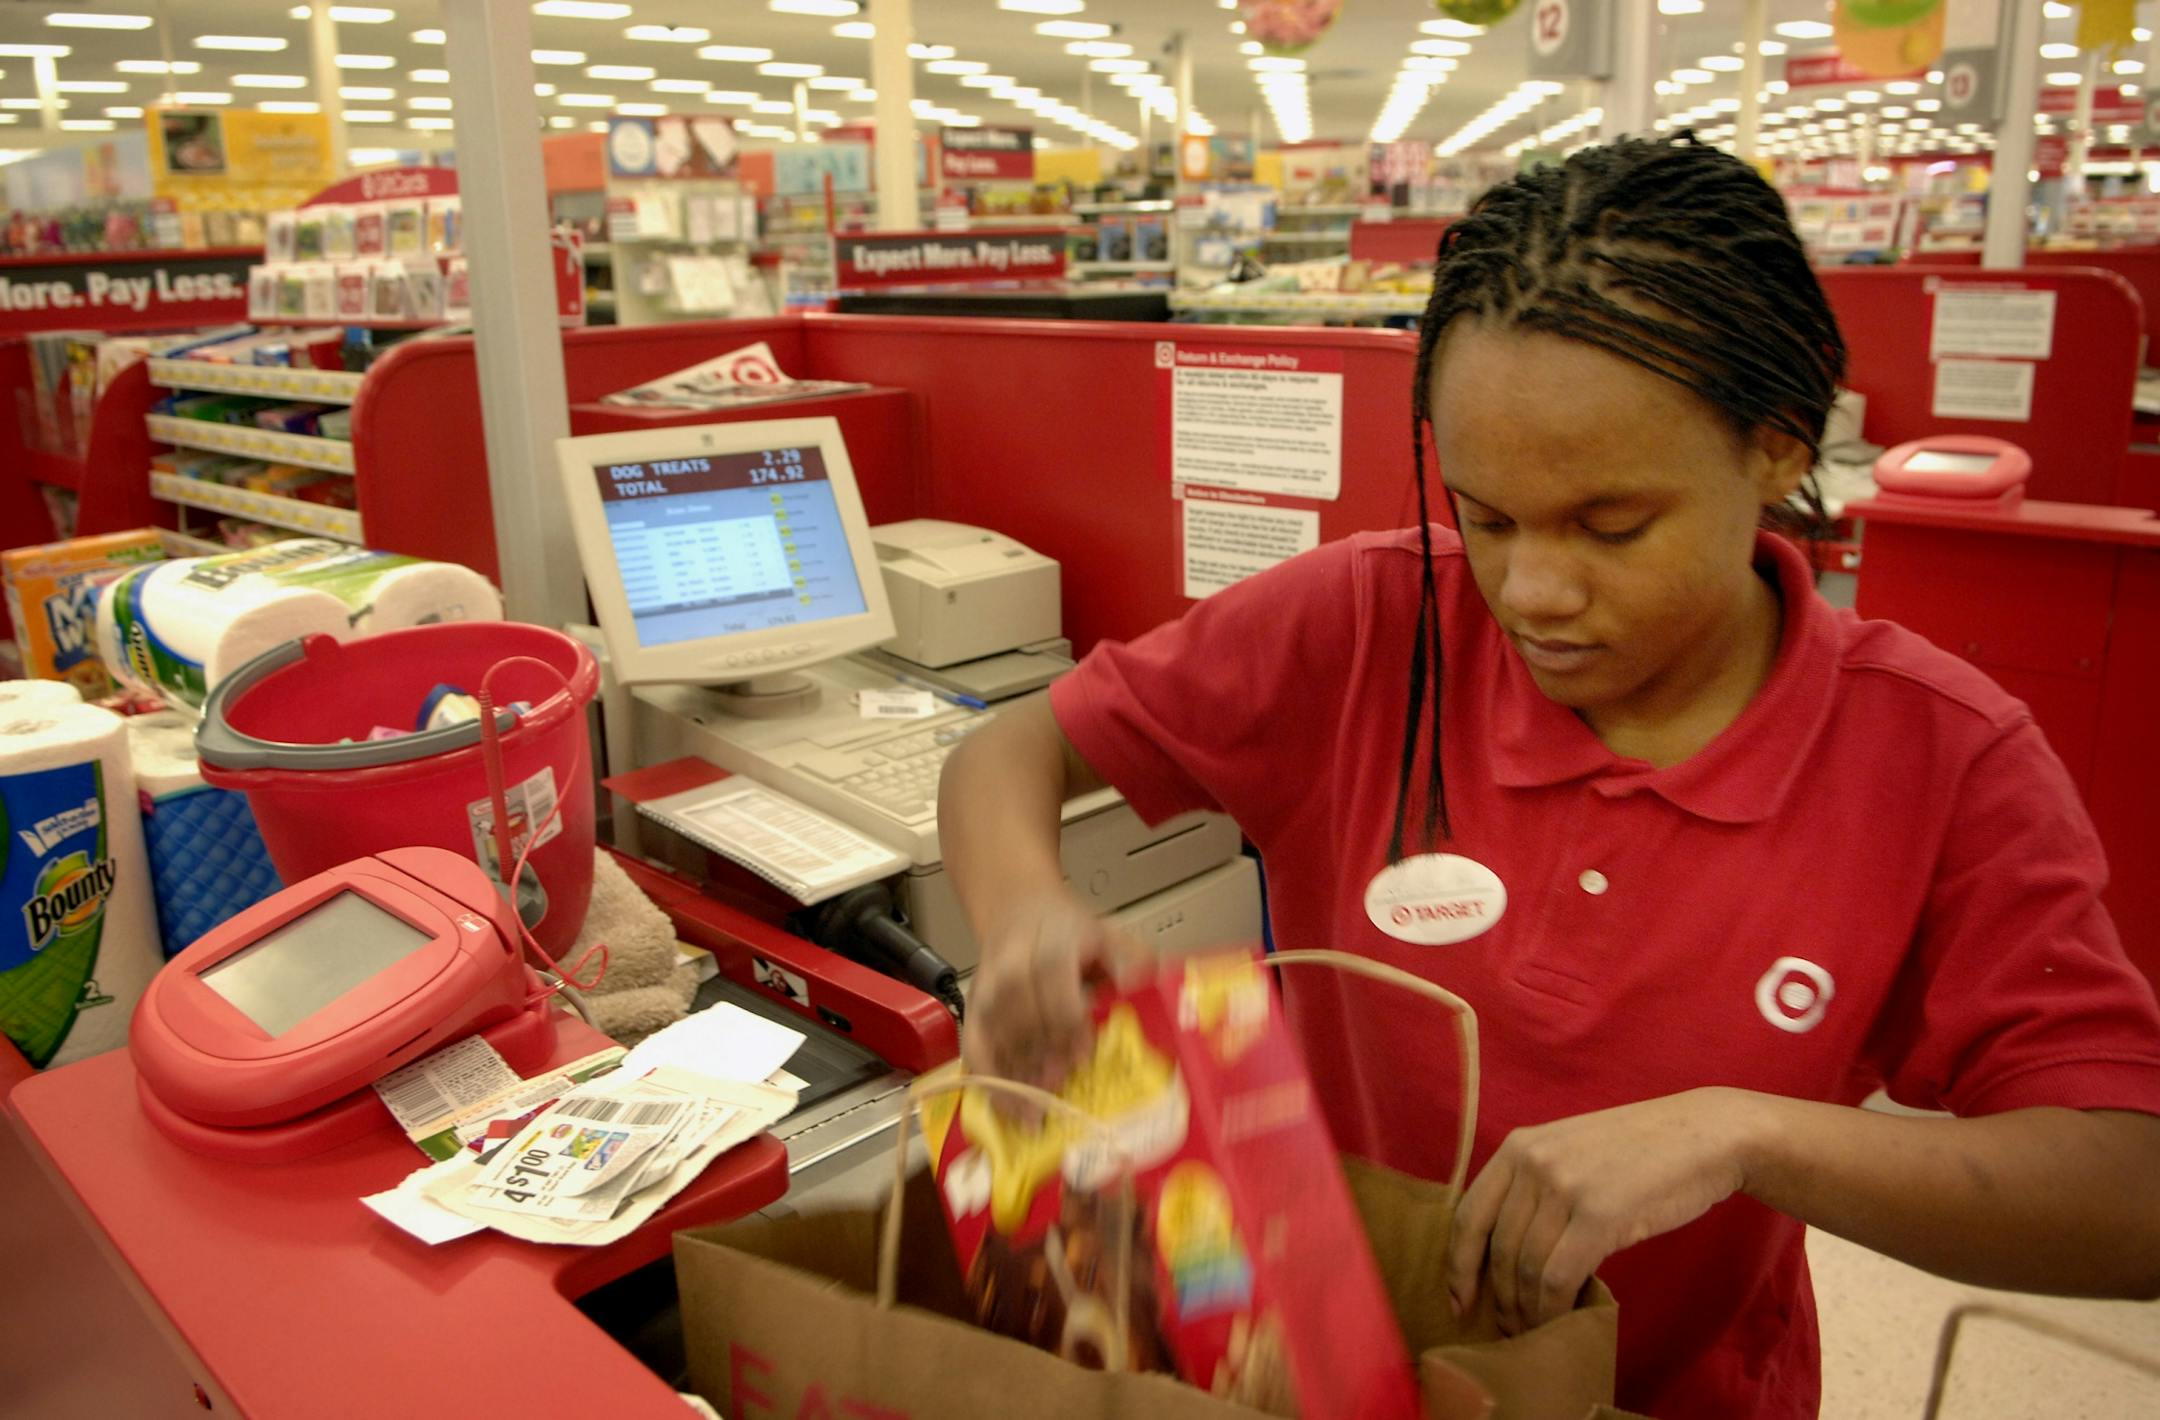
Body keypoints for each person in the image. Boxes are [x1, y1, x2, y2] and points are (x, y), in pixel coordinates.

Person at [938, 136, 2160, 1419]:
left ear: (1780, 452)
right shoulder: (1374, 625)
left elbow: (2127, 1193)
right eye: (1488, 515)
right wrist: (1026, 907)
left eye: (1610, 526)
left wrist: (1746, 1134)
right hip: (1306, 1368)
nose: (1532, 592)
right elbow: (1006, 750)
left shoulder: (1937, 757)